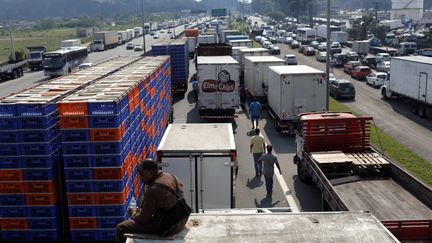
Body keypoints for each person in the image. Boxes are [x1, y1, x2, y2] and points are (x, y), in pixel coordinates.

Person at [116, 159, 190, 243]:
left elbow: (144, 219)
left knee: (121, 227)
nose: (140, 178)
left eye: (142, 175)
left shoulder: (154, 189)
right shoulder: (171, 176)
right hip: (183, 218)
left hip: (170, 227)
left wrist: (133, 213)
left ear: (151, 172)